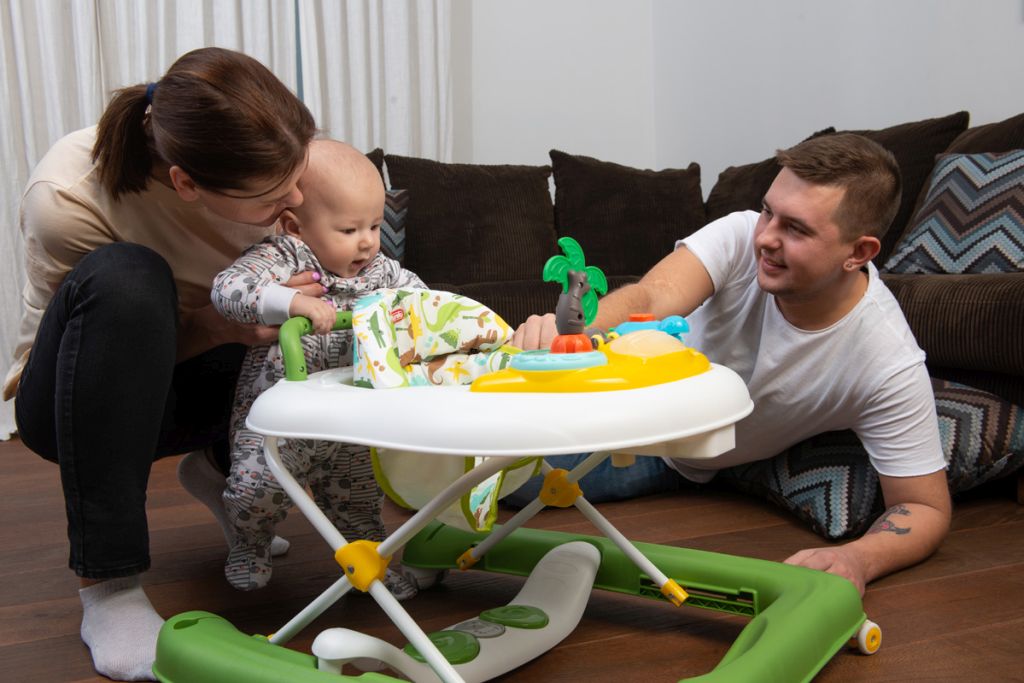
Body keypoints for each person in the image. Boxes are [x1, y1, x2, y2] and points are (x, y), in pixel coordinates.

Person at [510, 133, 951, 597]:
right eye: (768, 211)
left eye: (796, 230)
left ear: (858, 253)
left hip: (662, 451)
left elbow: (925, 508)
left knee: (503, 476)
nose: (765, 237)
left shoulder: (885, 360)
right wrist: (574, 330)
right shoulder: (741, 235)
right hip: (614, 381)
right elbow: (654, 296)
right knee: (467, 424)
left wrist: (857, 559)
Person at [5, 47, 322, 681]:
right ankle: (109, 587)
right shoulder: (68, 197)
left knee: (308, 325)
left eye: (297, 173)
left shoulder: (261, 164)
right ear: (186, 183)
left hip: (208, 374)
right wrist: (211, 322)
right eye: (269, 194)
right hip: (78, 400)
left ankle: (219, 474)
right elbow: (104, 350)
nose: (294, 196)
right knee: (129, 278)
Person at [209, 139, 424, 597]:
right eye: (348, 229)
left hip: (350, 420)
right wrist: (291, 300)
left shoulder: (382, 271)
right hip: (280, 416)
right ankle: (249, 543)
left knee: (360, 504)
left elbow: (425, 303)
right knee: (256, 491)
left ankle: (374, 568)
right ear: (295, 226)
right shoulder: (284, 258)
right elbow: (228, 288)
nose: (366, 241)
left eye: (373, 224)